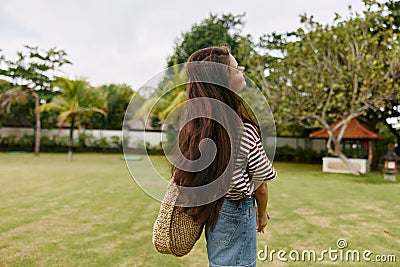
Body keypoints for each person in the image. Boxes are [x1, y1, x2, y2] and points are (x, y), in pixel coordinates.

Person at [172, 46, 277, 267]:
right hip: (237, 210)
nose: (242, 69)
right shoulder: (243, 130)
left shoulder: (196, 127)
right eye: (236, 67)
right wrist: (262, 211)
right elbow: (261, 184)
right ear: (223, 79)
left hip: (214, 210)